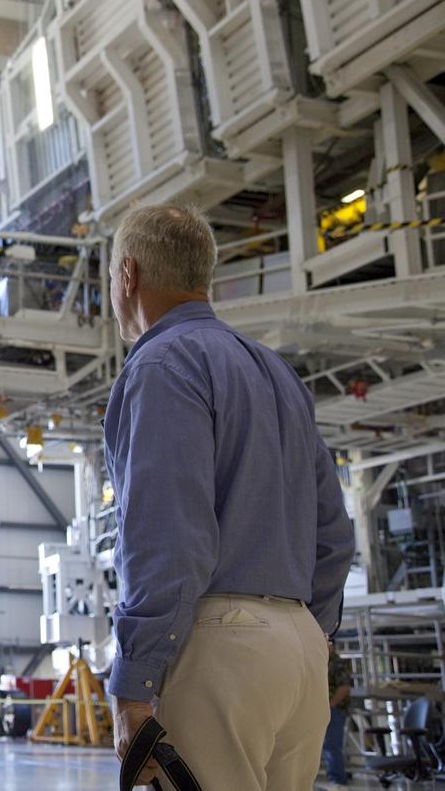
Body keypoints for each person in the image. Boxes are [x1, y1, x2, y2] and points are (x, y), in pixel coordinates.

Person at [103, 205, 355, 789]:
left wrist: (135, 681)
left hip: (219, 649)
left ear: (128, 275)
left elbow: (167, 535)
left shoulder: (163, 364)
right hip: (300, 653)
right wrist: (303, 635)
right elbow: (334, 536)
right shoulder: (277, 372)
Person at [321, 644, 353, 790]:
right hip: (324, 709)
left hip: (335, 710)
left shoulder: (338, 663)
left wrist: (331, 705)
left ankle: (338, 782)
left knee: (332, 746)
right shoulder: (322, 661)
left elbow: (344, 687)